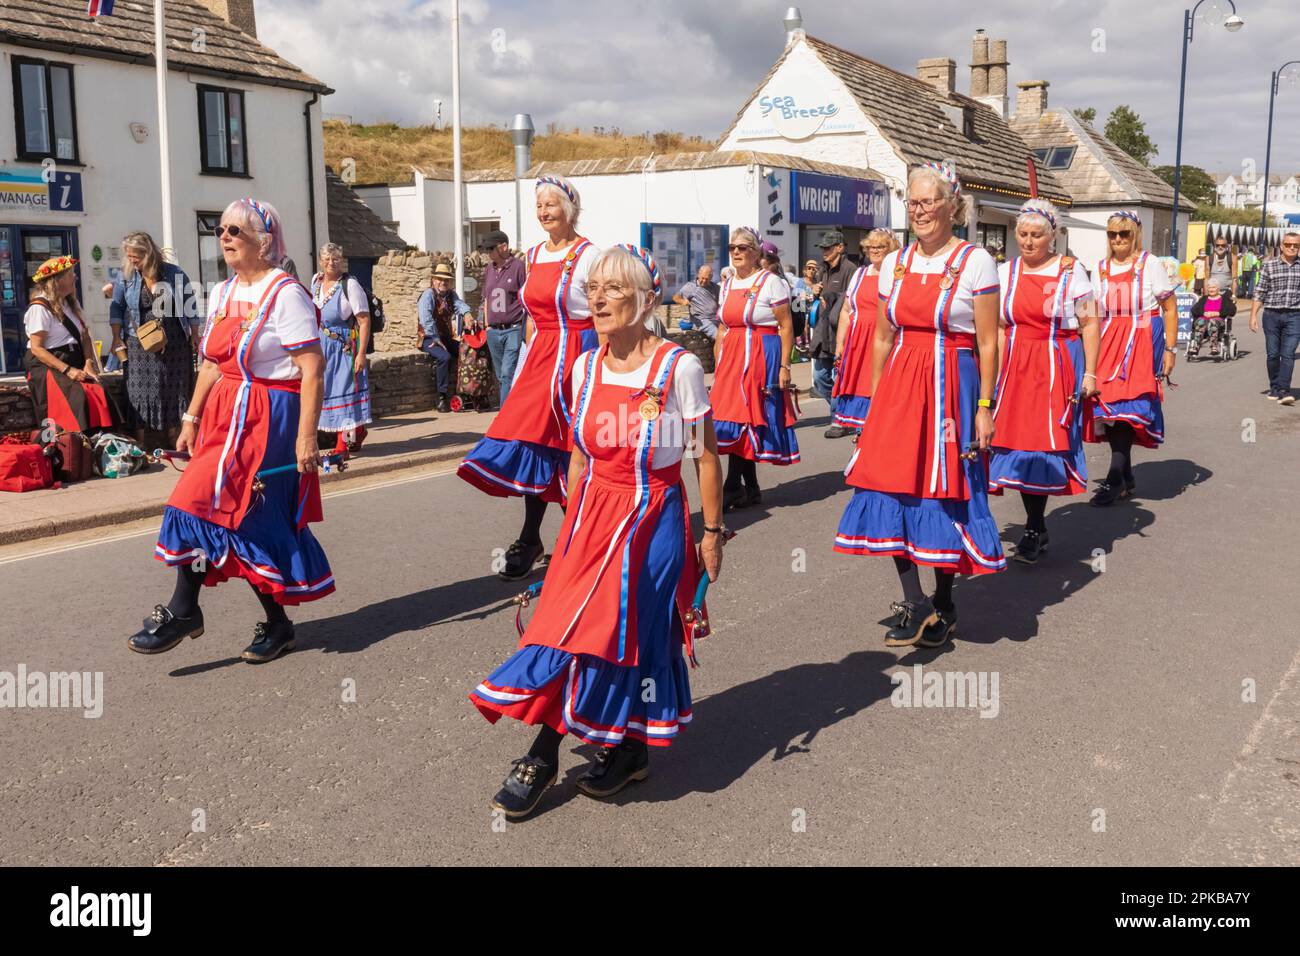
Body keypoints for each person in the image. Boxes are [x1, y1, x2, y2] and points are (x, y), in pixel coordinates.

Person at [471, 245, 723, 819]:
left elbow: (704, 456)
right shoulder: (584, 368)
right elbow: (580, 459)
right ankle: (632, 747)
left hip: (650, 519)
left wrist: (710, 533)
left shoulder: (677, 367)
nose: (599, 297)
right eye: (594, 287)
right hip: (590, 518)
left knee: (603, 631)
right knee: (572, 627)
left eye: (613, 288)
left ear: (645, 298)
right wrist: (568, 538)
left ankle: (542, 754)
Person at [130, 198, 331, 664]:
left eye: (236, 231)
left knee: (225, 511)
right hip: (225, 414)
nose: (225, 237)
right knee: (217, 511)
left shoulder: (286, 294)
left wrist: (307, 437)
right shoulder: (221, 293)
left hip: (268, 418)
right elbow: (211, 365)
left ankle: (193, 612)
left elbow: (311, 370)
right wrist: (190, 419)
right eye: (221, 229)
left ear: (264, 241)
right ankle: (257, 621)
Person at [834, 162, 1004, 648]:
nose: (921, 210)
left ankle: (945, 602)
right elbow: (883, 339)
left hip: (955, 381)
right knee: (890, 487)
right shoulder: (895, 263)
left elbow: (989, 342)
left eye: (930, 200)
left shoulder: (975, 262)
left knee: (943, 490)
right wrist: (873, 402)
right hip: (901, 386)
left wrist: (986, 405)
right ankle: (915, 600)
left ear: (953, 205)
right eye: (913, 202)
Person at [457, 176, 599, 579]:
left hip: (580, 355)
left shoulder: (590, 256)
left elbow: (604, 314)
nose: (544, 212)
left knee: (573, 446)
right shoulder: (533, 257)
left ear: (570, 208)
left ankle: (580, 535)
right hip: (540, 358)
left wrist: (606, 368)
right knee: (534, 440)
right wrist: (524, 367)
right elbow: (532, 319)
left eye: (551, 204)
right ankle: (533, 536)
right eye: (539, 206)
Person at [987, 199, 1100, 564]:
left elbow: (1090, 323)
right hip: (1016, 364)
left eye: (1037, 234)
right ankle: (1036, 525)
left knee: (1042, 444)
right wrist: (995, 376)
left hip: (1055, 363)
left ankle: (1035, 527)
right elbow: (1001, 328)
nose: (1029, 241)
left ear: (1053, 236)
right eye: (1023, 233)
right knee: (1015, 443)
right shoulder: (1006, 273)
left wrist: (1090, 372)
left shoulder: (1071, 272)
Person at [1084, 210, 1178, 505]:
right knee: (1108, 408)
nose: (1118, 240)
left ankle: (1113, 480)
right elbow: (1091, 312)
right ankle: (1125, 475)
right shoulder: (1099, 268)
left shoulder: (1149, 264)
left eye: (1124, 234)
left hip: (1141, 338)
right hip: (1108, 340)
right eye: (1112, 234)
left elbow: (1170, 308)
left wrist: (1171, 350)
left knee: (1127, 408)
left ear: (1135, 234)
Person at [711, 226, 799, 511]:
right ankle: (750, 487)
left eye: (743, 248)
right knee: (731, 418)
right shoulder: (725, 284)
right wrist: (719, 363)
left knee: (746, 417)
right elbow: (722, 327)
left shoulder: (770, 282)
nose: (736, 252)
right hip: (732, 356)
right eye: (732, 248)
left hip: (762, 354)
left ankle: (732, 486)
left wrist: (785, 366)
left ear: (756, 252)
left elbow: (786, 326)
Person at [109, 232, 200, 448]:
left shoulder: (173, 273)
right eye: (128, 256)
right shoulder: (126, 277)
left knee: (175, 388)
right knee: (139, 390)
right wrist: (115, 337)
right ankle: (141, 443)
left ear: (147, 253)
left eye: (135, 257)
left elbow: (190, 305)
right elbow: (116, 307)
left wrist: (195, 335)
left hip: (174, 341)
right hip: (138, 342)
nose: (132, 261)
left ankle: (175, 438)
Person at [23, 256, 113, 435]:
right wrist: (68, 370)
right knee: (78, 396)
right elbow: (37, 349)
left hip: (74, 357)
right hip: (49, 363)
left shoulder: (71, 303)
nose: (76, 278)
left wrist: (88, 363)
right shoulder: (40, 307)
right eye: (71, 274)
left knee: (99, 391)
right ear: (57, 280)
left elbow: (85, 337)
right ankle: (73, 445)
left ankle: (98, 442)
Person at [829, 230, 899, 439]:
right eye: (871, 247)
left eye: (880, 247)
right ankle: (862, 435)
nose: (875, 251)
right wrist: (840, 344)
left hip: (885, 339)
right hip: (857, 340)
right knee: (859, 389)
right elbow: (846, 310)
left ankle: (873, 437)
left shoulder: (898, 274)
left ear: (891, 249)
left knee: (879, 389)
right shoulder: (860, 274)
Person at [311, 242, 372, 455]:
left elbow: (364, 321)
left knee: (344, 395)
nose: (331, 263)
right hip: (320, 346)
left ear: (341, 260)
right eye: (327, 259)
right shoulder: (315, 282)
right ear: (321, 261)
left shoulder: (350, 286)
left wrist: (361, 354)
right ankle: (359, 431)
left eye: (335, 259)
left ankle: (342, 446)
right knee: (326, 393)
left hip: (342, 348)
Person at [809, 230, 860, 404]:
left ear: (840, 247)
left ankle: (838, 419)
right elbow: (818, 301)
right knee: (819, 378)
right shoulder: (822, 269)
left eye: (828, 248)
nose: (824, 251)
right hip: (823, 332)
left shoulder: (851, 270)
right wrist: (815, 293)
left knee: (840, 379)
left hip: (841, 333)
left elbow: (852, 301)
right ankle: (841, 411)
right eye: (822, 248)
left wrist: (831, 299)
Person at [1249, 230, 1300, 405]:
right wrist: (1253, 315)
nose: (1292, 248)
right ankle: (1275, 386)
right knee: (1272, 354)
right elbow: (1260, 291)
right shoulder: (1269, 266)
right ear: (1281, 246)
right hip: (1271, 315)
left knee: (1288, 354)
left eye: (1296, 245)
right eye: (1288, 244)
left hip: (1295, 315)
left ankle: (1284, 390)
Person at [479, 229, 526, 408]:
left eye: (491, 249)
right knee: (501, 376)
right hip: (494, 332)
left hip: (513, 328)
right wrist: (487, 325)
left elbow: (526, 298)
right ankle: (514, 410)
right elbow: (486, 298)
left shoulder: (518, 267)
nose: (488, 253)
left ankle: (505, 417)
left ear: (503, 247)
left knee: (507, 373)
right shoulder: (488, 270)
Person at [417, 261, 471, 412]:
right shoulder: (428, 295)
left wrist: (467, 314)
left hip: (445, 338)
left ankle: (466, 391)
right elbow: (425, 318)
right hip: (428, 338)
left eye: (446, 280)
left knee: (466, 352)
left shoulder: (450, 295)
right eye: (440, 279)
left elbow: (460, 305)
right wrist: (435, 338)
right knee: (444, 357)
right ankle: (441, 397)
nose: (443, 282)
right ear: (434, 280)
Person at [1189, 278, 1237, 359]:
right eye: (1210, 287)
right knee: (1201, 321)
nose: (1211, 289)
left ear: (1218, 288)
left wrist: (1218, 313)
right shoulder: (1204, 299)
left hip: (1218, 321)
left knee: (1212, 321)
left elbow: (1232, 310)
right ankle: (1195, 347)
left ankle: (1214, 347)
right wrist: (1203, 313)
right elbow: (1194, 310)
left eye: (1214, 287)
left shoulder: (1224, 299)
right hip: (1204, 320)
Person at [672, 264, 720, 341]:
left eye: (707, 279)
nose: (704, 281)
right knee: (719, 337)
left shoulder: (715, 288)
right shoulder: (691, 287)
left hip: (715, 318)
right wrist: (683, 301)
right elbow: (675, 297)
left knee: (728, 335)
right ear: (698, 274)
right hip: (701, 320)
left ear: (711, 278)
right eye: (702, 278)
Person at [1208, 237, 1237, 302]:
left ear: (1226, 246)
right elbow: (1206, 278)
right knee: (1212, 312)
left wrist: (1234, 295)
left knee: (1226, 311)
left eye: (1223, 245)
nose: (1220, 247)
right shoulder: (1209, 258)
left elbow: (1234, 278)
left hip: (1227, 293)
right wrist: (1205, 296)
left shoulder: (1232, 257)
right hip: (1212, 293)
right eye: (1217, 245)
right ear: (1214, 246)